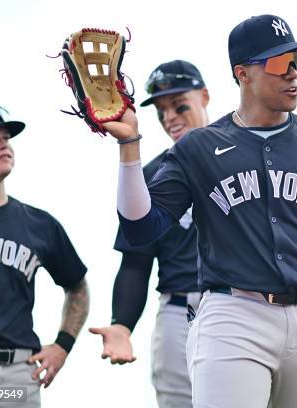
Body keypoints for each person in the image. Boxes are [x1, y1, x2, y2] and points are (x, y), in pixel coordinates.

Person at [105, 14, 297, 408]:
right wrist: (130, 147)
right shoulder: (198, 148)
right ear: (242, 73)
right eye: (277, 63)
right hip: (233, 314)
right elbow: (141, 229)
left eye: (295, 61)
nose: (292, 73)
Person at [0, 106, 89, 407]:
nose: (3, 145)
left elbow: (77, 285)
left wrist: (62, 346)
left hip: (20, 374)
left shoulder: (39, 223)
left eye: (5, 138)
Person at [89, 60, 209, 408]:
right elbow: (136, 262)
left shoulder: (248, 155)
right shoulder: (156, 173)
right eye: (161, 111)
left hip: (251, 305)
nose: (169, 117)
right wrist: (122, 324)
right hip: (180, 311)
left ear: (205, 96)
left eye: (179, 105)